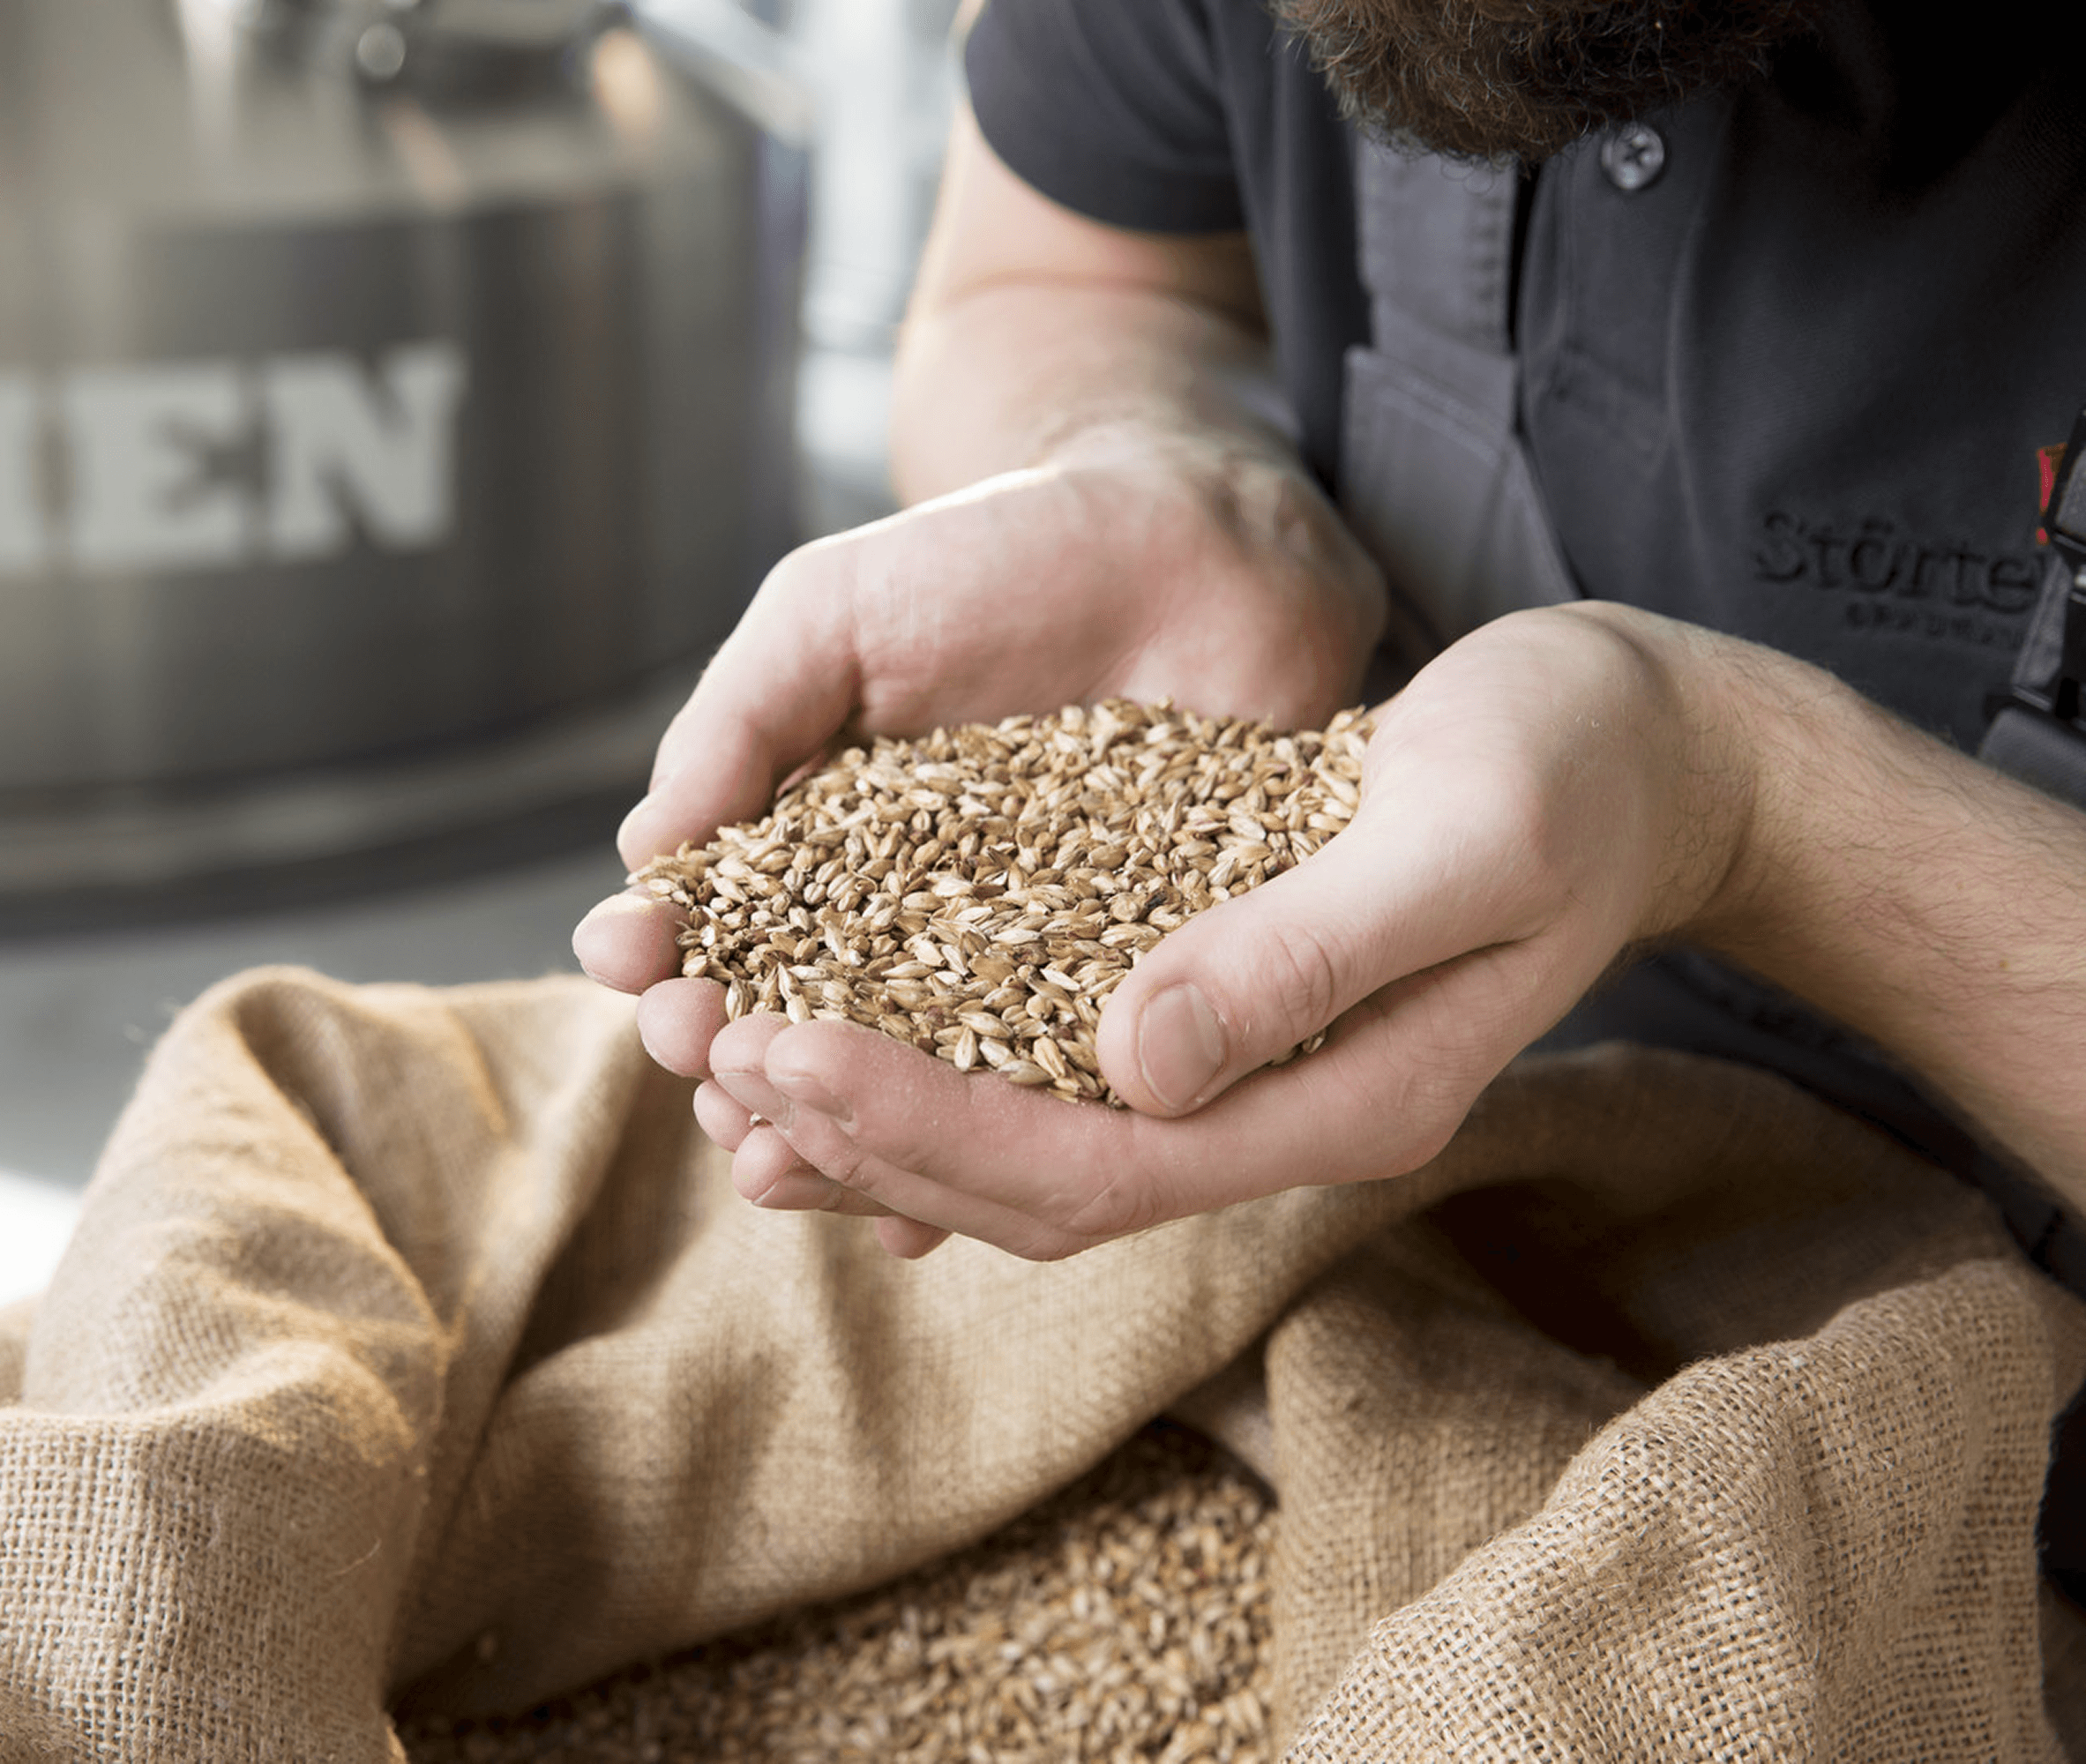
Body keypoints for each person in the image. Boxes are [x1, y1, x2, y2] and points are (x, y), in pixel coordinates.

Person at [572, 0, 2086, 1280]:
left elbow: (1726, 803)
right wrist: (1154, 461)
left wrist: (1753, 816)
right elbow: (1053, 280)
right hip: (1431, 1280)